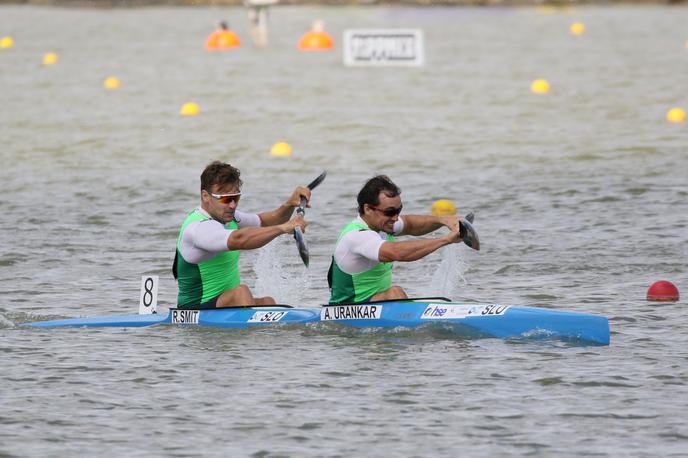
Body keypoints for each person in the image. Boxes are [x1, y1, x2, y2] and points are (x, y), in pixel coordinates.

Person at [174, 161, 309, 309]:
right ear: (205, 196)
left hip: (224, 304)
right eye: (225, 199)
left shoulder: (228, 217)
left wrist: (290, 204)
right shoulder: (198, 228)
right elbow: (239, 239)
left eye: (235, 198)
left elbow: (267, 221)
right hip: (195, 309)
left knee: (268, 302)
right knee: (241, 293)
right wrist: (283, 228)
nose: (232, 205)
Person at [328, 175, 475, 305]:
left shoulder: (383, 224)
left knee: (394, 294)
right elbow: (397, 253)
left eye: (398, 210)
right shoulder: (357, 235)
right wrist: (446, 239)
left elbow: (411, 224)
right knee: (395, 293)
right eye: (390, 212)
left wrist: (443, 220)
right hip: (348, 310)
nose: (395, 217)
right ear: (367, 209)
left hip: (374, 304)